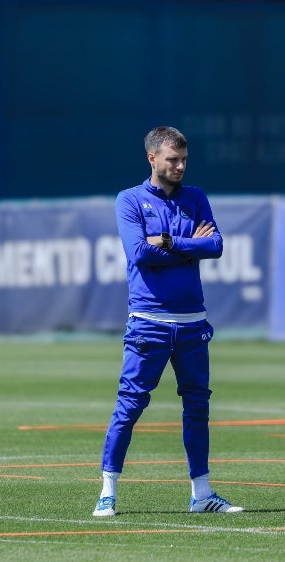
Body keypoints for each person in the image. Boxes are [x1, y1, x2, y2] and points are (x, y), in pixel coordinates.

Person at [93, 126, 244, 517]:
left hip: (194, 323)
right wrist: (189, 245)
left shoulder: (196, 198)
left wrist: (173, 243)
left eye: (183, 160)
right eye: (172, 159)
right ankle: (107, 491)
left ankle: (202, 494)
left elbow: (216, 245)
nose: (179, 166)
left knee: (198, 407)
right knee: (130, 405)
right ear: (152, 159)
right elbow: (140, 254)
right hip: (149, 321)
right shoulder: (129, 200)